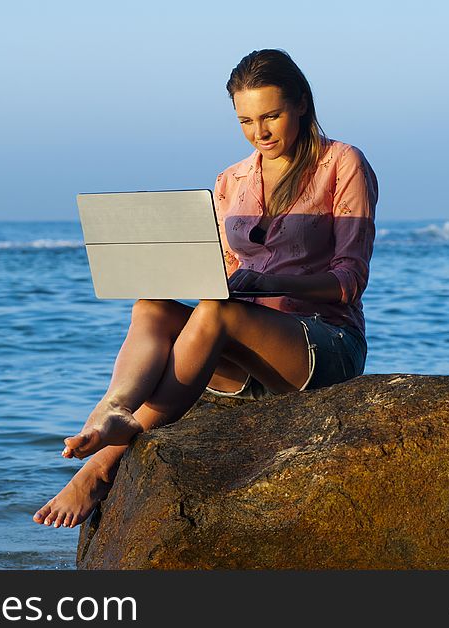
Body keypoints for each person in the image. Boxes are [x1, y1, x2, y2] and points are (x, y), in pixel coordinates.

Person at [33, 48, 378, 529]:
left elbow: (350, 280)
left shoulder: (342, 163)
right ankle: (112, 407)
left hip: (320, 345)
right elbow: (225, 267)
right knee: (151, 304)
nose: (260, 133)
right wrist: (183, 271)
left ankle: (103, 464)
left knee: (216, 312)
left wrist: (271, 282)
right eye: (246, 121)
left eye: (272, 116)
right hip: (241, 356)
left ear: (301, 102)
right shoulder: (230, 179)